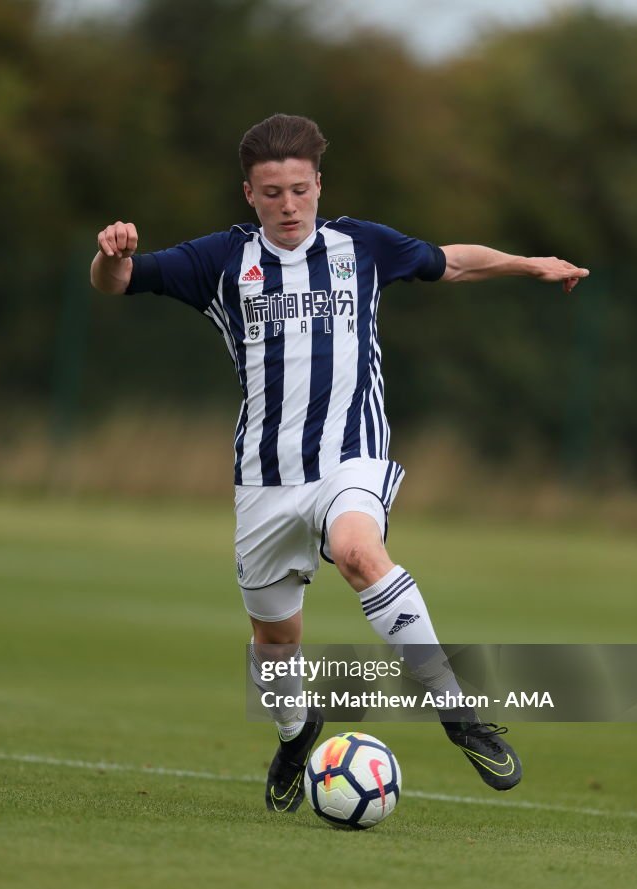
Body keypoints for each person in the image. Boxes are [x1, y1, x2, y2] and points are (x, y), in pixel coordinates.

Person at [90, 113, 589, 813]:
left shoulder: (362, 246)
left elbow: (452, 261)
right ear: (248, 194)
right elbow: (117, 282)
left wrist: (525, 264)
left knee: (359, 551)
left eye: (298, 189)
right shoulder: (219, 262)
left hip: (350, 457)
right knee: (274, 638)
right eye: (271, 193)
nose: (287, 205)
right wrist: (112, 252)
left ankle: (459, 714)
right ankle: (296, 736)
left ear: (318, 185)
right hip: (264, 481)